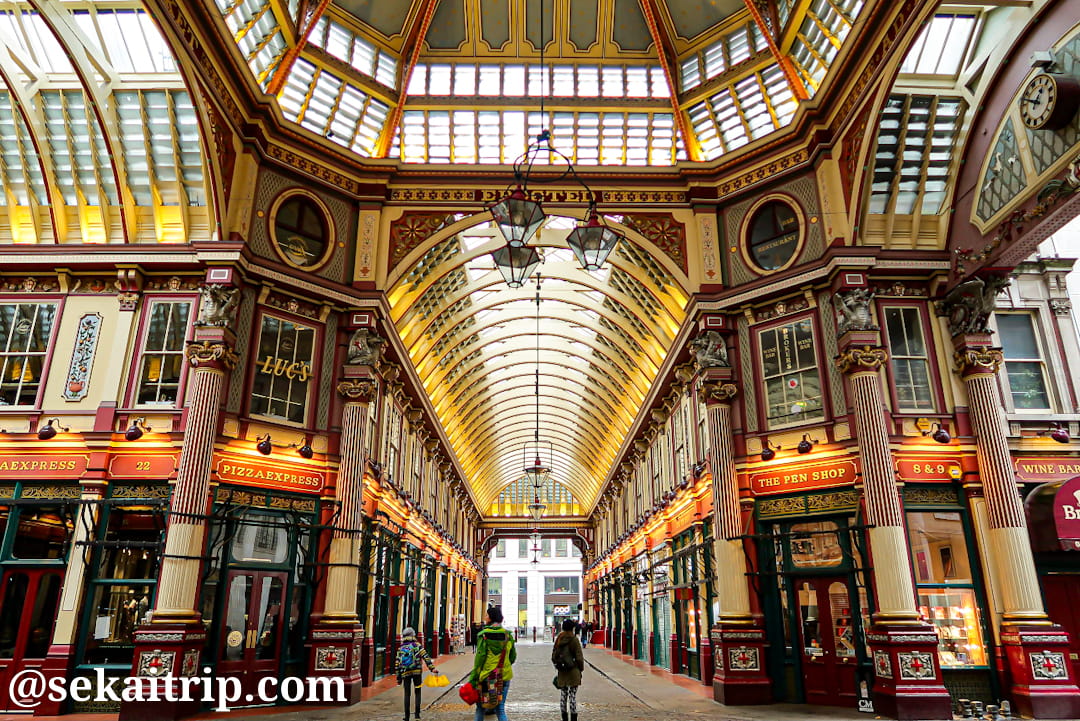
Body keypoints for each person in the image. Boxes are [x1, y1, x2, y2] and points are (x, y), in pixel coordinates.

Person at [470, 607, 516, 721]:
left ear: (490, 618)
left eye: (486, 615)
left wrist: (474, 678)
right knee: (500, 709)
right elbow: (513, 657)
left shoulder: (484, 636)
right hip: (504, 676)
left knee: (480, 708)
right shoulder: (507, 635)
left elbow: (479, 659)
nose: (485, 618)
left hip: (487, 677)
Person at [396, 627, 439, 721]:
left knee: (407, 694)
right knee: (417, 692)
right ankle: (417, 715)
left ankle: (406, 717)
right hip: (417, 672)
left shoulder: (401, 647)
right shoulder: (417, 645)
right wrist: (432, 669)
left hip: (405, 672)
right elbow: (426, 656)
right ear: (413, 635)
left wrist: (398, 677)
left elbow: (397, 663)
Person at [552, 619, 584, 721]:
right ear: (572, 628)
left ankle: (564, 717)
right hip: (573, 671)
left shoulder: (559, 639)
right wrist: (580, 669)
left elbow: (553, 656)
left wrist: (558, 665)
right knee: (572, 696)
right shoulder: (573, 639)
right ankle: (573, 718)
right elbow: (579, 657)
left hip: (562, 671)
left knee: (563, 696)